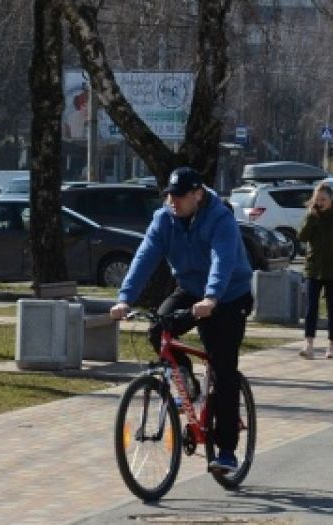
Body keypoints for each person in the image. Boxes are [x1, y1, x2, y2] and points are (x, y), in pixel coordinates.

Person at [109, 166, 254, 476]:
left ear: (198, 195)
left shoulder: (220, 218)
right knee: (157, 330)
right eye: (169, 196)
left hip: (229, 295)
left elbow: (222, 258)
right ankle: (186, 380)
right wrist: (125, 298)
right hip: (190, 288)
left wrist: (212, 298)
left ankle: (226, 451)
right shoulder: (164, 219)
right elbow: (145, 256)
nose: (173, 202)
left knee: (223, 367)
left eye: (179, 196)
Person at [297, 182, 333, 360]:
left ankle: (332, 345)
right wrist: (311, 217)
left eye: (323, 199)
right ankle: (309, 344)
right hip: (314, 268)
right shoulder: (312, 216)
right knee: (311, 306)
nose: (320, 202)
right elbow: (302, 237)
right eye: (317, 199)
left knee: (332, 307)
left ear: (331, 199)